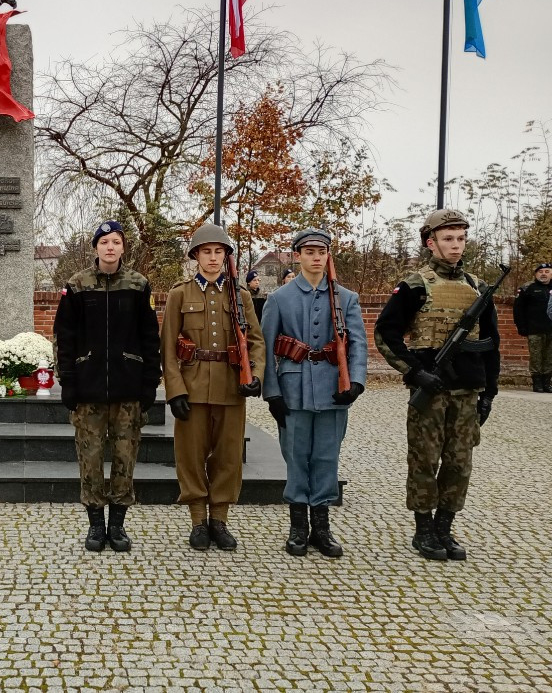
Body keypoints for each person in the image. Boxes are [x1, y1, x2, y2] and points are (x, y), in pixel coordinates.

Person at [375, 209, 500, 562]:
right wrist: (414, 372)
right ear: (431, 243)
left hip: (467, 390)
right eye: (448, 239)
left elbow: (492, 342)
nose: (456, 246)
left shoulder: (476, 287)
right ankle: (424, 529)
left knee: (460, 464)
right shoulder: (415, 285)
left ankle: (445, 527)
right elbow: (386, 333)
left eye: (460, 238)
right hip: (431, 390)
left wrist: (490, 391)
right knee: (424, 461)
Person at [54, 220, 161, 553]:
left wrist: (150, 383)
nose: (110, 247)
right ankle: (95, 525)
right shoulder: (77, 285)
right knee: (90, 458)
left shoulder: (139, 284)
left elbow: (149, 337)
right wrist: (67, 381)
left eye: (116, 241)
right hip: (88, 389)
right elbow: (64, 337)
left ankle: (118, 525)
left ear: (123, 247)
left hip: (128, 388)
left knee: (125, 458)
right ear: (95, 248)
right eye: (104, 242)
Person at [260, 229, 368, 558]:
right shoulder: (280, 299)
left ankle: (321, 526)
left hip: (334, 388)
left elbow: (358, 344)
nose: (316, 257)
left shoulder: (345, 298)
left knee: (326, 457)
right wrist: (272, 392)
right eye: (308, 251)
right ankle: (297, 527)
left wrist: (356, 383)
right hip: (293, 389)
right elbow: (265, 349)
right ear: (297, 256)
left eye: (321, 251)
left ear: (328, 256)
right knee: (295, 458)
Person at [160, 224, 265, 551]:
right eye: (206, 251)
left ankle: (219, 519)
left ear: (226, 256)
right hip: (192, 386)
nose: (213, 257)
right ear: (195, 256)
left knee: (228, 455)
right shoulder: (180, 294)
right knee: (190, 455)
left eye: (219, 252)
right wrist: (175, 390)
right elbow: (167, 348)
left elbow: (256, 342)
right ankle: (197, 521)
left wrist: (255, 375)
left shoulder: (241, 296)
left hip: (231, 386)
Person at [512, 262, 552, 393]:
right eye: (540, 272)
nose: (543, 274)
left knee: (549, 357)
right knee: (536, 356)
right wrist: (521, 326)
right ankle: (537, 383)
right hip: (534, 329)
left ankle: (547, 383)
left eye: (547, 271)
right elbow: (518, 309)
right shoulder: (528, 288)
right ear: (536, 274)